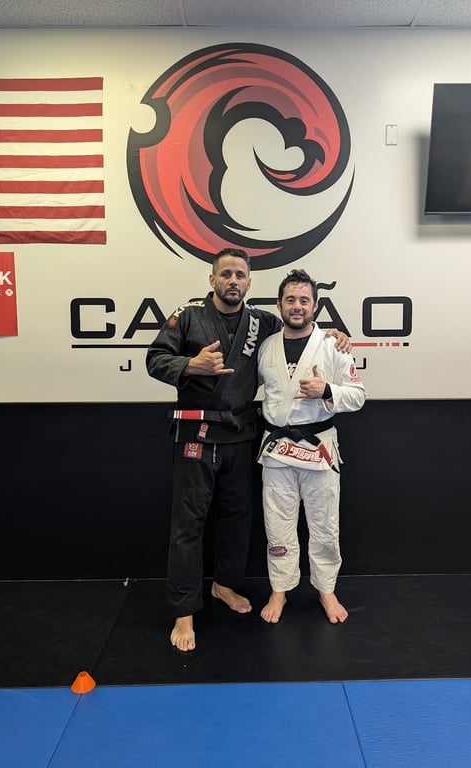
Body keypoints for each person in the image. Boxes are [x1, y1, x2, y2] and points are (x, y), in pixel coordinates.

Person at [146, 248, 352, 652]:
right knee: (188, 524)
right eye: (226, 274)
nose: (233, 281)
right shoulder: (188, 315)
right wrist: (190, 366)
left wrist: (335, 336)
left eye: (240, 275)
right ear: (212, 280)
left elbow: (300, 330)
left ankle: (224, 585)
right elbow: (155, 359)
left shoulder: (262, 322)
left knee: (237, 518)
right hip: (196, 431)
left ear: (249, 283)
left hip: (241, 434)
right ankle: (184, 610)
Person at [257, 268, 366, 625]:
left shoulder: (333, 345)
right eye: (290, 299)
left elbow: (358, 395)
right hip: (278, 449)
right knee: (277, 523)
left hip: (319, 448)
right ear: (279, 304)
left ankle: (326, 589)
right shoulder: (266, 347)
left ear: (315, 306)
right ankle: (279, 588)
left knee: (324, 523)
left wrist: (327, 390)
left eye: (304, 300)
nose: (297, 306)